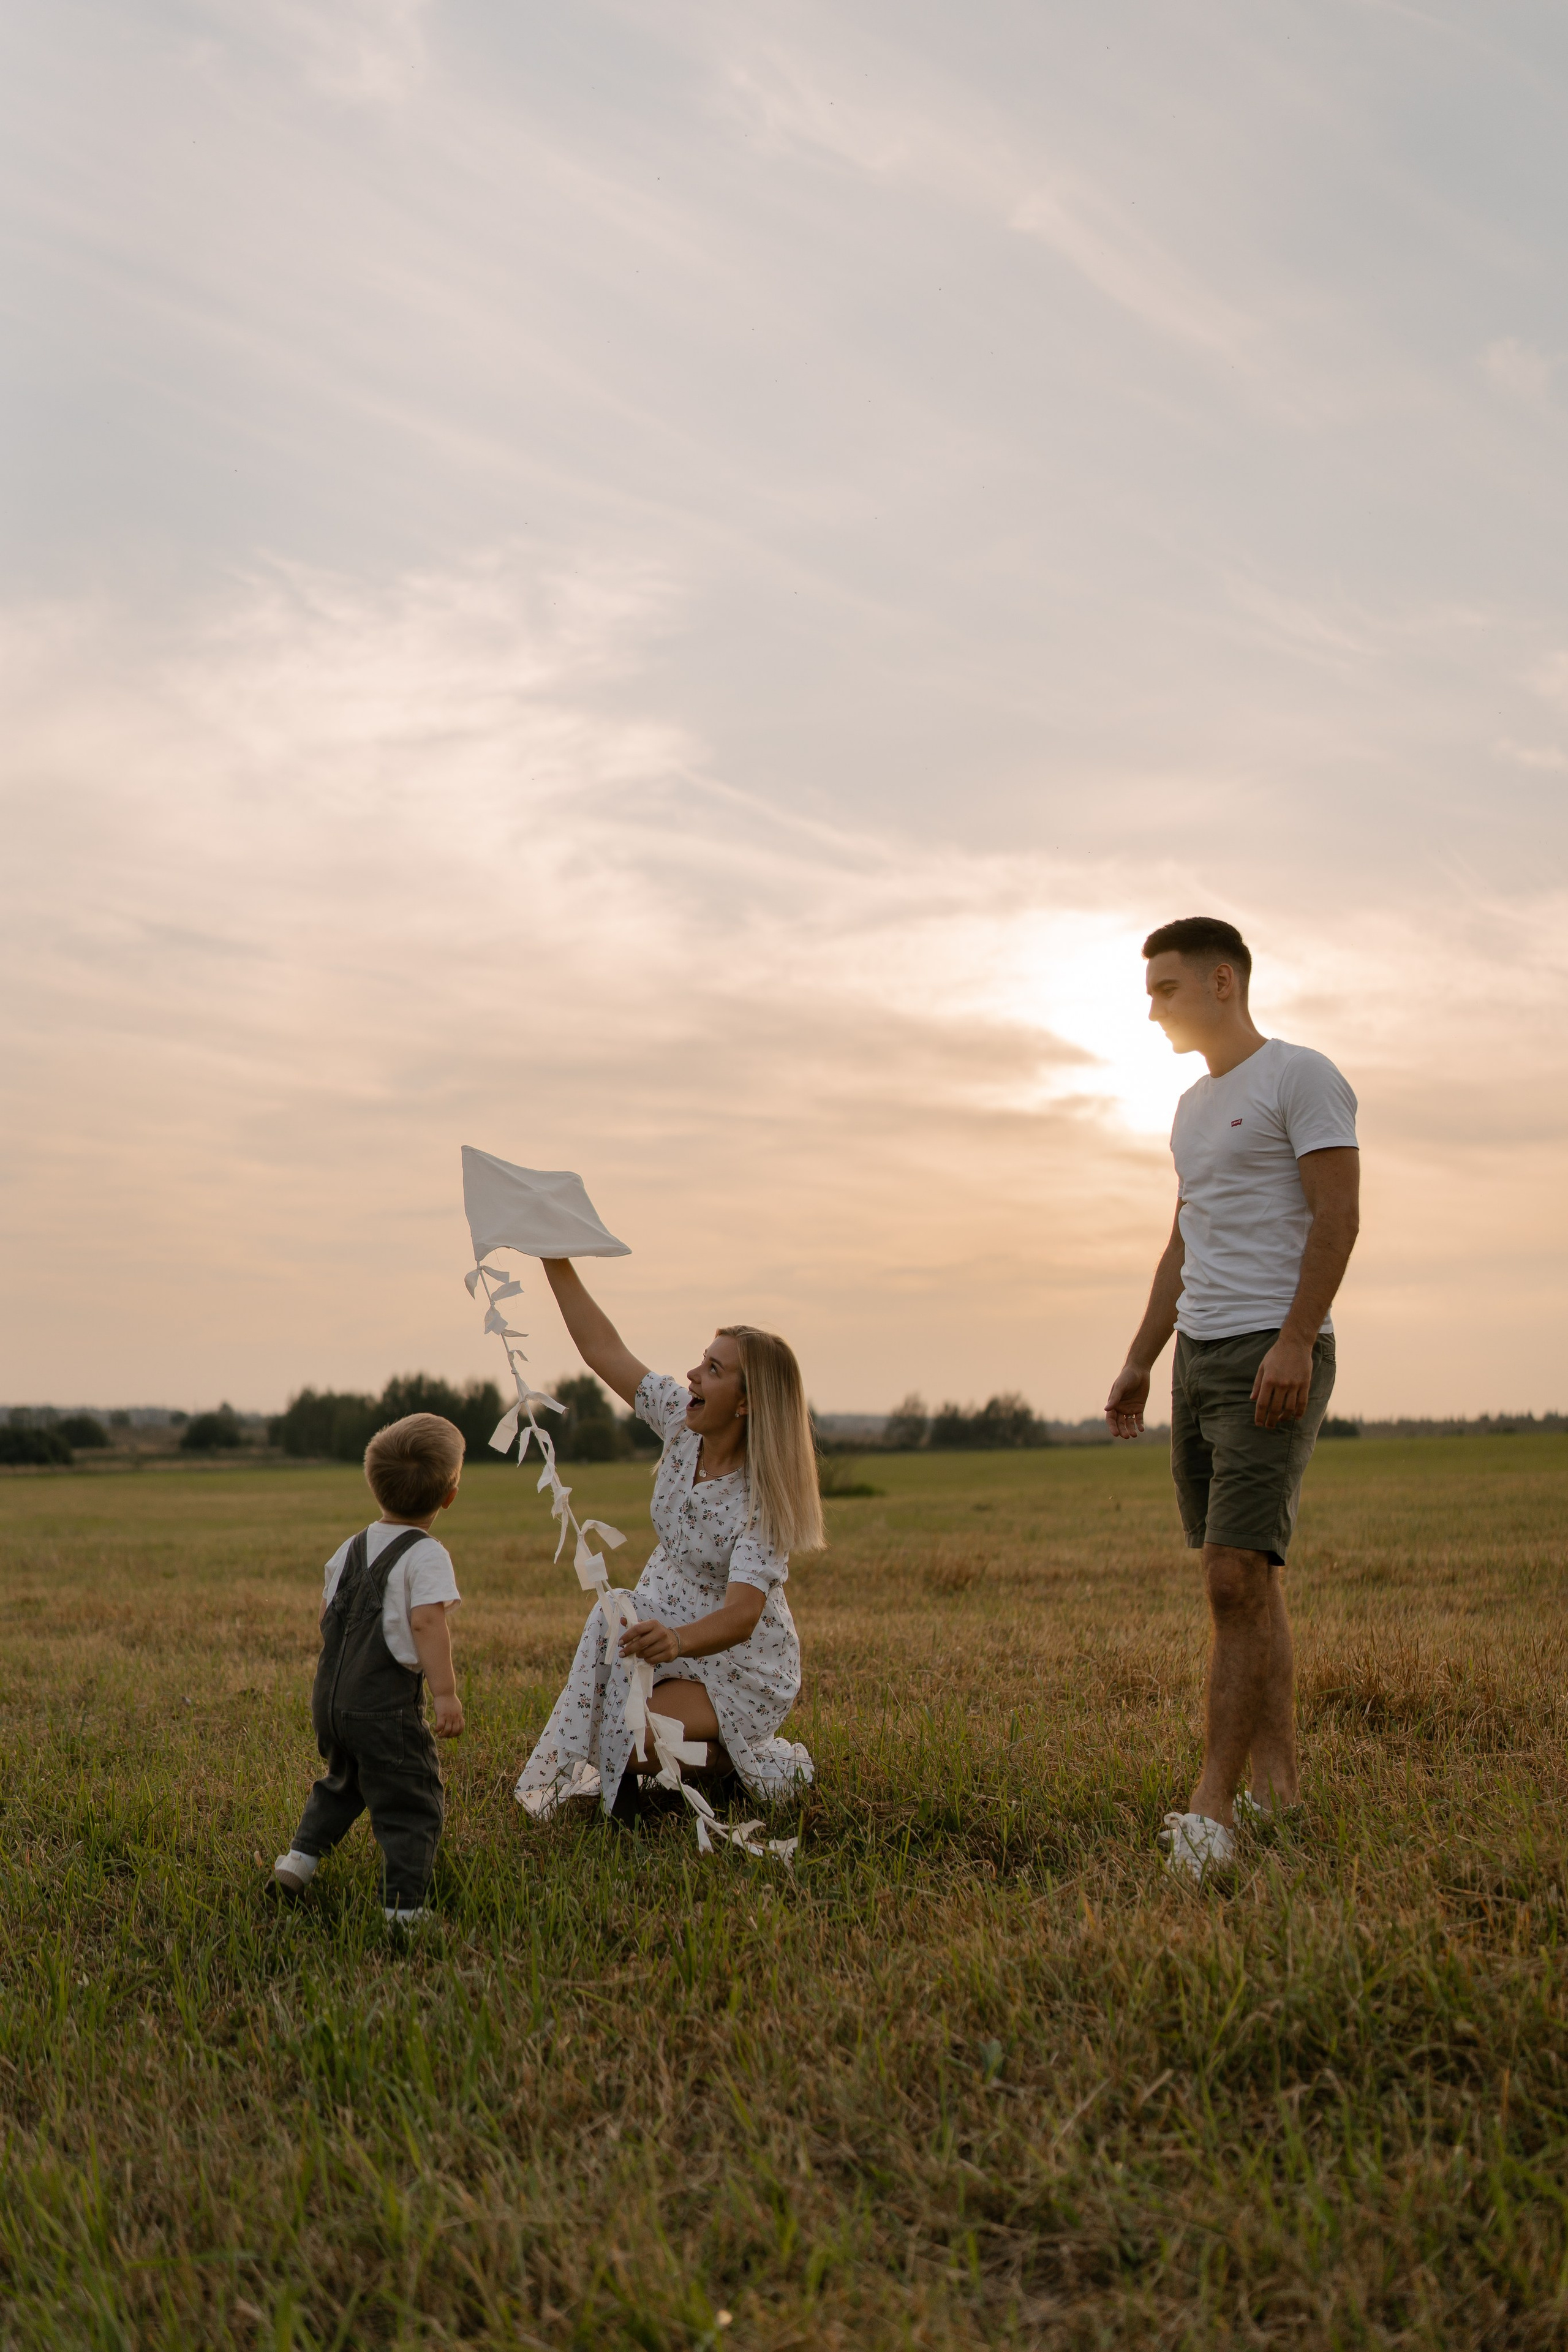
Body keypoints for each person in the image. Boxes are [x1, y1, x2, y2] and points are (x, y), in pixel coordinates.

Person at [1104, 917, 1360, 1882]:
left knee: (1228, 1578)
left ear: (1223, 981)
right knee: (1247, 1577)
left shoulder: (1302, 1076)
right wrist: (1139, 1359)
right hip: (1199, 1356)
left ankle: (1214, 1805)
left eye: (1165, 989)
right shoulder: (1188, 1108)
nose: (1153, 1008)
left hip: (1271, 1349)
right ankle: (1280, 1789)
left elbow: (1339, 1215)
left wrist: (1296, 1340)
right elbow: (1183, 1241)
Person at [515, 1261, 822, 1824]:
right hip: (658, 1623)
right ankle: (642, 1795)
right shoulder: (682, 1423)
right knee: (609, 1731)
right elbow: (602, 1349)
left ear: (747, 1403)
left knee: (633, 1740)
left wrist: (677, 1641)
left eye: (712, 1369)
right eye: (702, 1363)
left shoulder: (761, 1501)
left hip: (735, 1662)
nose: (692, 1376)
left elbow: (743, 1615)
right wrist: (553, 1259)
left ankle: (735, 1762)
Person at [271, 1412, 466, 1924]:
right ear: (449, 1496)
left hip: (331, 1702)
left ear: (374, 1485)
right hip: (384, 1708)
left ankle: (298, 1860)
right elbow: (426, 1624)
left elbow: (325, 1615)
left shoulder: (351, 1546)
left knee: (345, 1778)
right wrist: (444, 1694)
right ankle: (403, 1909)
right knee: (412, 1802)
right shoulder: (426, 1555)